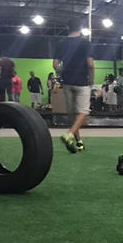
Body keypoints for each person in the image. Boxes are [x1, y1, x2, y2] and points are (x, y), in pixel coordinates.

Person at [53, 17, 94, 153]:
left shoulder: (60, 43)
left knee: (73, 115)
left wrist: (63, 72)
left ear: (67, 27)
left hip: (67, 82)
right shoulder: (85, 43)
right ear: (80, 27)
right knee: (83, 112)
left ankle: (79, 142)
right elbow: (90, 64)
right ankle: (69, 135)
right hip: (82, 82)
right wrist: (91, 81)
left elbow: (55, 65)